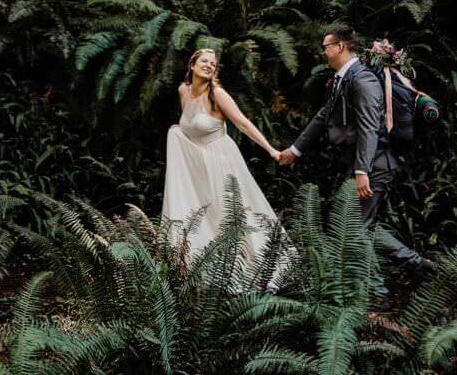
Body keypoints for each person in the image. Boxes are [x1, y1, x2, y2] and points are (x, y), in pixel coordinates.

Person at [279, 25, 435, 295]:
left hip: (375, 165)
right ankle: (418, 265)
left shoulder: (362, 79)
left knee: (356, 230)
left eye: (326, 46)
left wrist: (362, 169)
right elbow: (322, 116)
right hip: (364, 165)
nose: (323, 51)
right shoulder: (343, 79)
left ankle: (377, 296)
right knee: (365, 226)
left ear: (339, 46)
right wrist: (295, 150)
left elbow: (369, 126)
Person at [160, 48, 292, 288]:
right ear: (192, 65)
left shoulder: (217, 94)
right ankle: (203, 272)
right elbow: (190, 127)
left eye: (213, 63)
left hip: (220, 160)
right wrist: (177, 133)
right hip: (197, 164)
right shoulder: (184, 91)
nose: (209, 65)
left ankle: (260, 268)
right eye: (204, 61)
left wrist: (270, 149)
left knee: (231, 214)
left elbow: (242, 123)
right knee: (202, 214)